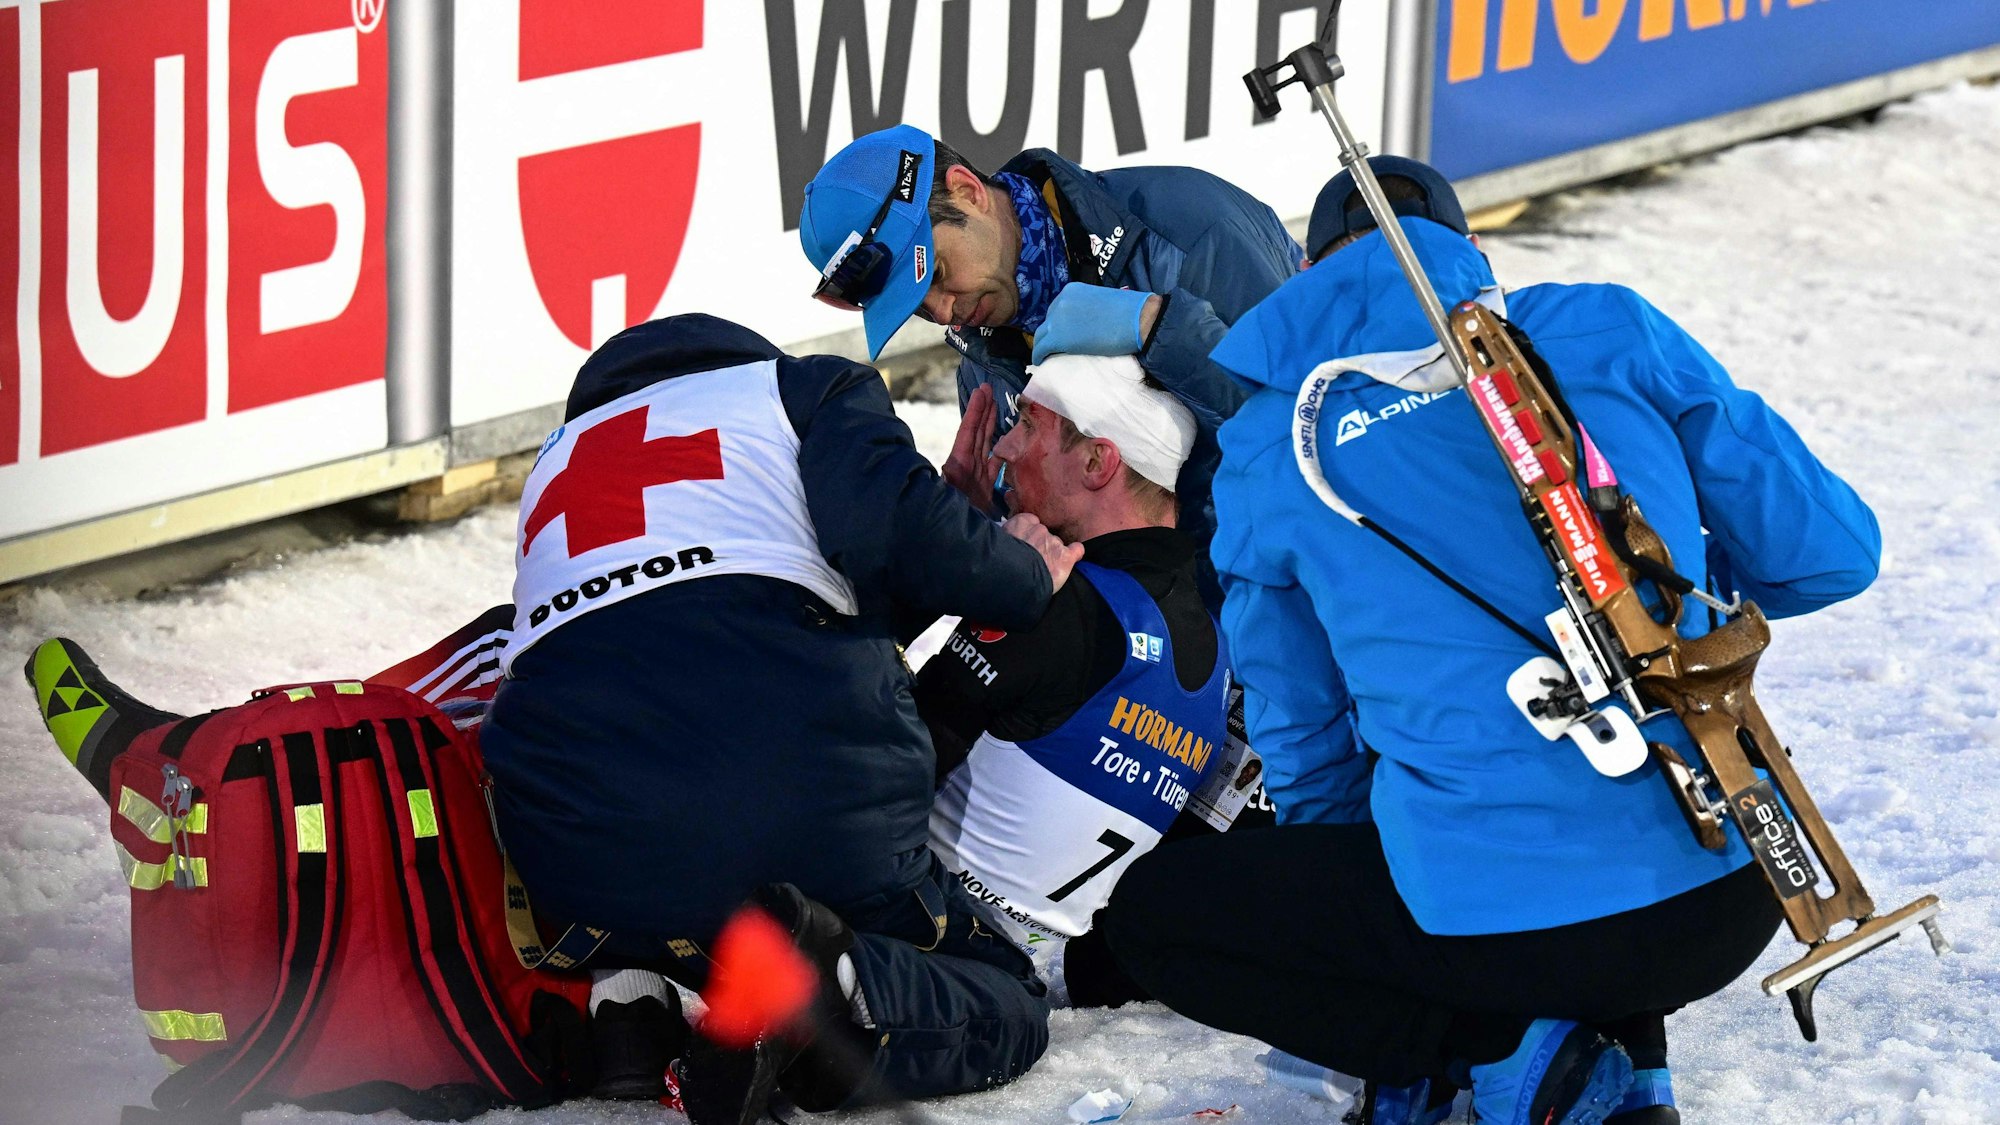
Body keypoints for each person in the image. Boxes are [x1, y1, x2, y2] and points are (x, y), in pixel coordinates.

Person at [1097, 158, 1883, 1125]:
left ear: (1310, 273)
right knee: (1596, 787)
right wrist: (1662, 593)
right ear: (1472, 253)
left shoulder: (1270, 447)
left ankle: (1500, 1045)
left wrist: (1396, 940)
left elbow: (1307, 752)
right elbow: (1832, 555)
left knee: (1157, 914)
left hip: (1500, 929)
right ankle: (1626, 1053)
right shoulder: (1607, 324)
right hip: (1739, 885)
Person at [478, 313, 1085, 1123]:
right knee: (1006, 991)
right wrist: (1018, 571)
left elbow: (723, 618)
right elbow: (879, 544)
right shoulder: (800, 389)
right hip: (802, 807)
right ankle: (827, 996)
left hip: (584, 862)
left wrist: (937, 531)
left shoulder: (557, 464)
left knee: (651, 825)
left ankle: (628, 1003)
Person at [796, 124, 1304, 602]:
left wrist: (1160, 327)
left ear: (967, 191)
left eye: (938, 274)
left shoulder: (1191, 232)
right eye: (917, 307)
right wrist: (979, 524)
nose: (945, 311)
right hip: (1173, 652)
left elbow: (1315, 420)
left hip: (1300, 596)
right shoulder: (981, 362)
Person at [916, 354, 1231, 1009]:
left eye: (1027, 424)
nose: (1002, 445)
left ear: (1097, 462)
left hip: (913, 937)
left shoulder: (1061, 602)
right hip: (1036, 973)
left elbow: (866, 765)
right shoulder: (1213, 641)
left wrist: (935, 557)